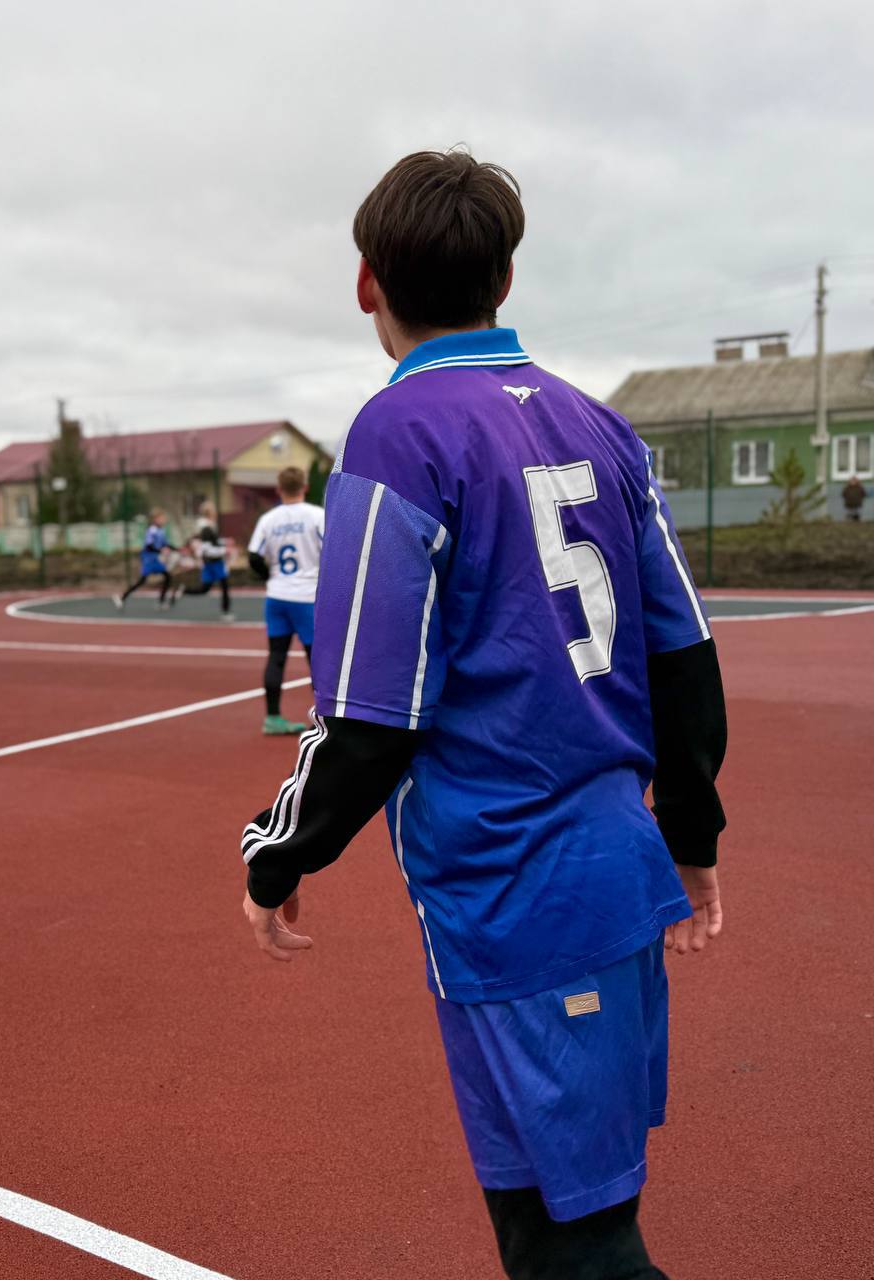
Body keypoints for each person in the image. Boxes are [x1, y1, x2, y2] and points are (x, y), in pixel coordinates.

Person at [239, 150, 727, 1280]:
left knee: (576, 1252)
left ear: (366, 283)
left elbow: (370, 715)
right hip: (610, 866)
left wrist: (275, 850)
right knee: (553, 1228)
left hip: (517, 893)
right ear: (505, 279)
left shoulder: (395, 435)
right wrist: (692, 832)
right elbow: (683, 653)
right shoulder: (601, 426)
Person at [246, 466, 325, 736]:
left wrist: (268, 575)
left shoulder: (268, 519)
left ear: (279, 489)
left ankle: (272, 717)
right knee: (317, 660)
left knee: (276, 657)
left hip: (277, 596)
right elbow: (334, 549)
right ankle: (324, 720)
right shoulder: (317, 516)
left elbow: (254, 556)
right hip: (307, 597)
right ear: (305, 487)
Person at [169, 501, 234, 619]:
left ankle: (184, 590)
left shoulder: (209, 527)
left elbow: (213, 542)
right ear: (209, 513)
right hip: (213, 562)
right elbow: (208, 549)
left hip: (211, 561)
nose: (215, 512)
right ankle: (226, 612)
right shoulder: (206, 529)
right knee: (223, 586)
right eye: (213, 510)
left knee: (205, 589)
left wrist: (225, 542)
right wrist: (225, 550)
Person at [113, 509, 178, 610]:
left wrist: (178, 549)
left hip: (156, 559)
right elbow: (149, 546)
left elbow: (165, 544)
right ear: (155, 519)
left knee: (167, 577)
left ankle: (161, 601)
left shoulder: (161, 531)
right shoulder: (151, 530)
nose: (163, 520)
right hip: (149, 559)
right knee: (142, 581)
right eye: (161, 518)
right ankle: (122, 598)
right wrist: (161, 550)